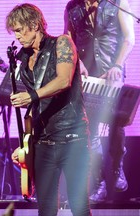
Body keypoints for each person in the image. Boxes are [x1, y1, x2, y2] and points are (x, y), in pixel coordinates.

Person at [6, 3, 91, 216]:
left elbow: (63, 81)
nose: (17, 36)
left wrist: (32, 95)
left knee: (79, 207)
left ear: (34, 25)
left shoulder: (61, 43)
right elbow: (35, 107)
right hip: (43, 143)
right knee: (45, 209)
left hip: (72, 139)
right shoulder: (23, 59)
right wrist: (25, 146)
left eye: (19, 30)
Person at [64, 0, 135, 203]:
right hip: (86, 77)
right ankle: (98, 182)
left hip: (111, 73)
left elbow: (129, 38)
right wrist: (76, 63)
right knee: (89, 129)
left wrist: (118, 65)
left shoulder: (118, 3)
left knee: (115, 123)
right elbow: (68, 39)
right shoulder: (72, 7)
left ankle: (116, 167)